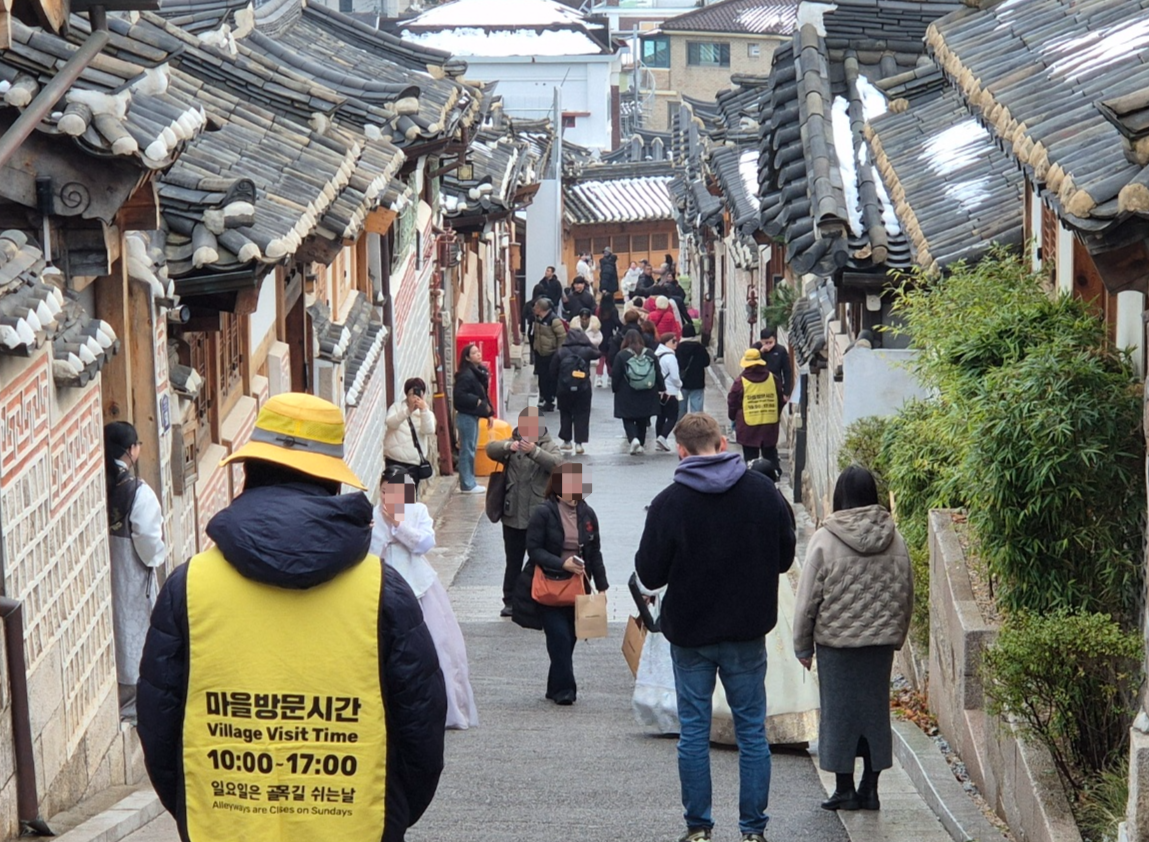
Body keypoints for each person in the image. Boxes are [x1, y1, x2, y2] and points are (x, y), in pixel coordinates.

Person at [137, 393, 446, 842]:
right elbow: (421, 731)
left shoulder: (189, 588)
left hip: (224, 826)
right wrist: (387, 815)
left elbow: (160, 727)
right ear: (332, 484)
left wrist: (197, 809)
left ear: (249, 473)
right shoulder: (382, 591)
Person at [635, 413, 796, 842]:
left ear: (682, 451)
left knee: (693, 730)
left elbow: (649, 572)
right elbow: (784, 558)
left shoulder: (670, 502)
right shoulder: (762, 492)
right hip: (746, 629)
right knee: (751, 730)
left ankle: (699, 827)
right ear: (723, 443)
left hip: (690, 633)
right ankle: (753, 830)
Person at [793, 465, 913, 813]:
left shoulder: (825, 539)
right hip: (879, 647)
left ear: (839, 495)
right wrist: (898, 635)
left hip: (836, 645)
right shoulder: (896, 538)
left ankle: (844, 789)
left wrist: (802, 645)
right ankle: (870, 790)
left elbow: (807, 601)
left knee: (839, 716)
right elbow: (907, 592)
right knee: (875, 715)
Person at [372, 465, 478, 730]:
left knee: (437, 645)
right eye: (387, 491)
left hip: (419, 585)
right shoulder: (372, 516)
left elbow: (424, 544)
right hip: (383, 585)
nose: (391, 497)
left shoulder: (417, 512)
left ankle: (446, 710)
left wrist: (398, 525)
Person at [523, 463, 608, 705]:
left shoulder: (588, 514)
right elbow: (534, 549)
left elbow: (595, 551)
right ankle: (565, 690)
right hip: (549, 584)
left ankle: (554, 685)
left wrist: (602, 587)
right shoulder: (543, 513)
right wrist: (563, 563)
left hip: (577, 587)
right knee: (559, 637)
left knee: (569, 638)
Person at [104, 421, 166, 722]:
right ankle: (131, 707)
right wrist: (156, 559)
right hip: (129, 566)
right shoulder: (137, 490)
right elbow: (149, 540)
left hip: (105, 567)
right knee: (133, 626)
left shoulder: (99, 480)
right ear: (131, 450)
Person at [486, 407, 563, 617]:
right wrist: (508, 446)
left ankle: (536, 597)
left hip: (537, 516)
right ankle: (509, 600)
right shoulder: (514, 442)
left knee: (538, 559)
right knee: (513, 560)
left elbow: (558, 464)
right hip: (512, 514)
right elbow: (490, 449)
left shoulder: (548, 445)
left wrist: (535, 452)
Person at [612, 328, 665, 455]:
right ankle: (640, 443)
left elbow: (616, 375)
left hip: (626, 392)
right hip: (647, 391)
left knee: (627, 418)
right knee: (642, 419)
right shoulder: (651, 354)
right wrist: (662, 388)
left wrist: (615, 389)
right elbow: (658, 372)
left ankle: (633, 439)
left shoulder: (621, 355)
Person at [727, 348, 783, 466]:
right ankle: (773, 478)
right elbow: (780, 399)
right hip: (769, 425)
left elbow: (733, 402)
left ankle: (752, 481)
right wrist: (776, 414)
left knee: (750, 459)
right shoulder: (772, 378)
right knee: (770, 456)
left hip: (748, 426)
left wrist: (733, 417)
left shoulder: (740, 382)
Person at [550, 327, 601, 453]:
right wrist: (588, 342)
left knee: (565, 413)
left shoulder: (561, 351)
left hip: (564, 388)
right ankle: (579, 443)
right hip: (583, 388)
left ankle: (567, 441)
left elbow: (552, 371)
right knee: (582, 414)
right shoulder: (587, 351)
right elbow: (598, 353)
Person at [384, 377, 437, 493]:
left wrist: (423, 411)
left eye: (418, 393)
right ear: (406, 394)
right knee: (394, 495)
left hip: (413, 462)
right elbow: (390, 423)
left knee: (409, 496)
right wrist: (408, 411)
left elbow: (429, 430)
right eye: (412, 394)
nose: (415, 397)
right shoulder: (397, 407)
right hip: (395, 459)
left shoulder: (426, 412)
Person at [453, 343, 492, 493]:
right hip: (466, 416)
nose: (478, 354)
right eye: (474, 353)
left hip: (473, 415)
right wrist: (476, 401)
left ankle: (470, 481)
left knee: (471, 448)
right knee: (467, 450)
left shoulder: (478, 372)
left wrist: (488, 413)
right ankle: (467, 484)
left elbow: (484, 394)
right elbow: (459, 396)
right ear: (467, 357)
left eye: (478, 351)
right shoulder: (466, 374)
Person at [532, 298, 567, 413]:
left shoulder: (554, 320)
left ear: (541, 309)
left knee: (551, 377)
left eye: (536, 307)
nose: (534, 309)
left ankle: (550, 399)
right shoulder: (537, 319)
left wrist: (559, 352)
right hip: (540, 353)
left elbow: (562, 336)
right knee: (542, 377)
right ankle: (544, 397)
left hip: (551, 353)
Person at [676, 322, 710, 418]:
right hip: (697, 381)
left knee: (681, 409)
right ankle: (696, 427)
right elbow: (706, 362)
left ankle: (682, 427)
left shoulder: (679, 348)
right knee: (697, 410)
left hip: (682, 382)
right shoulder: (700, 348)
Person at [655, 333, 682, 452]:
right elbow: (675, 377)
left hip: (659, 391)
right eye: (673, 341)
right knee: (672, 417)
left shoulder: (657, 355)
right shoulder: (671, 357)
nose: (676, 343)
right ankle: (662, 437)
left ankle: (659, 440)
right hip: (670, 391)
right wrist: (680, 384)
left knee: (660, 417)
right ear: (666, 343)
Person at [758, 327, 793, 399]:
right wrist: (761, 352)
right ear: (761, 341)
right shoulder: (756, 349)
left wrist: (786, 392)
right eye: (766, 343)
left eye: (770, 342)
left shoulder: (781, 350)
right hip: (759, 386)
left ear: (774, 340)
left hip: (775, 386)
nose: (768, 345)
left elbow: (787, 371)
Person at [596, 291, 622, 388]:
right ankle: (610, 377)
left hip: (600, 335)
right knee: (610, 357)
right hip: (610, 335)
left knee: (601, 357)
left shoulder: (599, 309)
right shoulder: (613, 310)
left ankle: (598, 378)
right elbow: (617, 322)